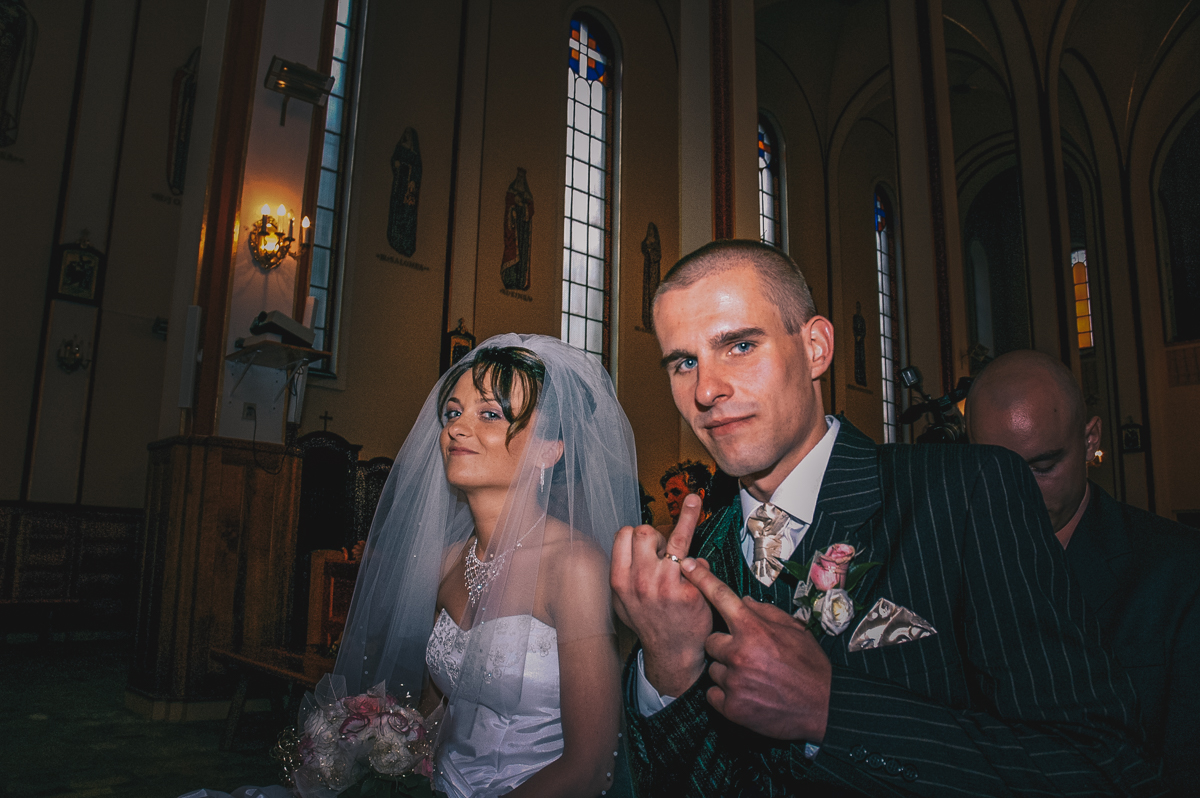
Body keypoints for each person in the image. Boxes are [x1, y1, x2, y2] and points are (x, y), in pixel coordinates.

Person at [610, 240, 1165, 796]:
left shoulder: (964, 494)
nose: (706, 390)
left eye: (740, 346)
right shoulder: (692, 563)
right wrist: (670, 665)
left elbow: (1103, 766)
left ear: (816, 348)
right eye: (685, 363)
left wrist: (831, 710)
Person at [332, 335, 640, 797]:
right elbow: (441, 710)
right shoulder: (448, 561)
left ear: (548, 451)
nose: (457, 428)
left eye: (490, 414)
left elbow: (592, 767)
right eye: (453, 412)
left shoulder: (573, 565)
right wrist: (383, 747)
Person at [966, 349, 1200, 794]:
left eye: (1043, 467)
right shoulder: (953, 567)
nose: (1020, 493)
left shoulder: (1181, 572)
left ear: (1090, 440)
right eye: (996, 471)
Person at [660, 460, 713, 525]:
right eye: (667, 495)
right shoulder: (663, 530)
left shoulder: (718, 529)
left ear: (699, 495)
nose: (669, 501)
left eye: (676, 493)